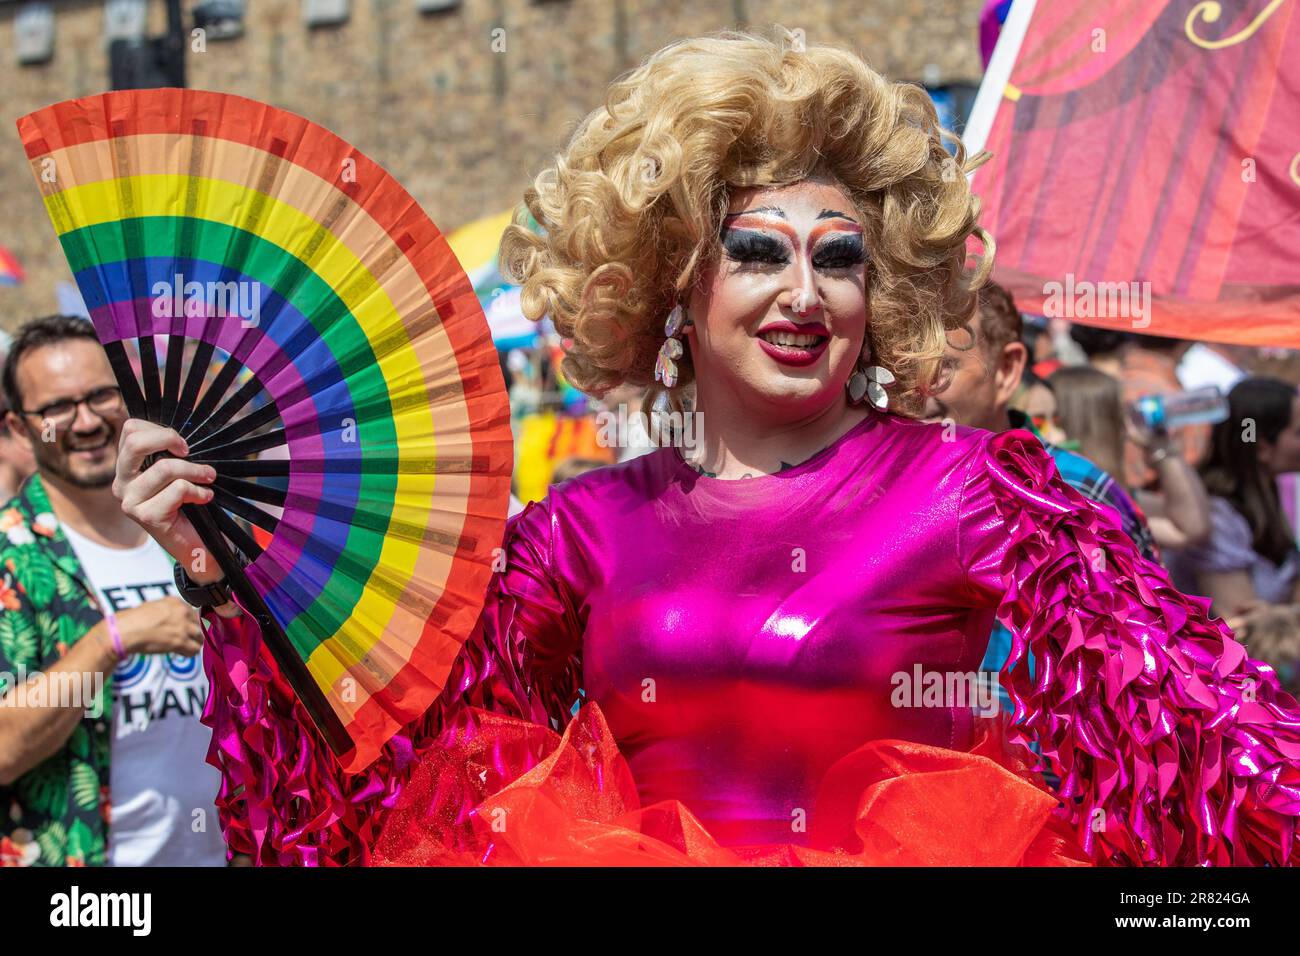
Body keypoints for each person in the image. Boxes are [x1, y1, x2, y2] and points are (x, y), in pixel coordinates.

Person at [114, 32, 1300, 867]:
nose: (803, 291)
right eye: (756, 252)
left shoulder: (980, 489)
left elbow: (1200, 734)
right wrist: (223, 580)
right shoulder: (579, 528)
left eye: (838, 256)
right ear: (675, 282)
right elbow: (395, 783)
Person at [0, 315, 226, 867]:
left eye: (102, 395)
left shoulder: (198, 528)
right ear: (19, 427)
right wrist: (110, 641)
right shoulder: (11, 559)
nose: (84, 422)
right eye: (56, 407)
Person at [1166, 378, 1300, 620]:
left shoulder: (1270, 493)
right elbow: (1245, 628)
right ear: (1262, 449)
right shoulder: (1220, 519)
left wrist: (1283, 614)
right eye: (1299, 432)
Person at [1048, 364, 1210, 553]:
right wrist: (1161, 449)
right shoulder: (1077, 494)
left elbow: (1191, 526)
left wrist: (1161, 445)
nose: (1126, 429)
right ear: (1100, 424)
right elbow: (1189, 529)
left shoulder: (1104, 490)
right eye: (1120, 414)